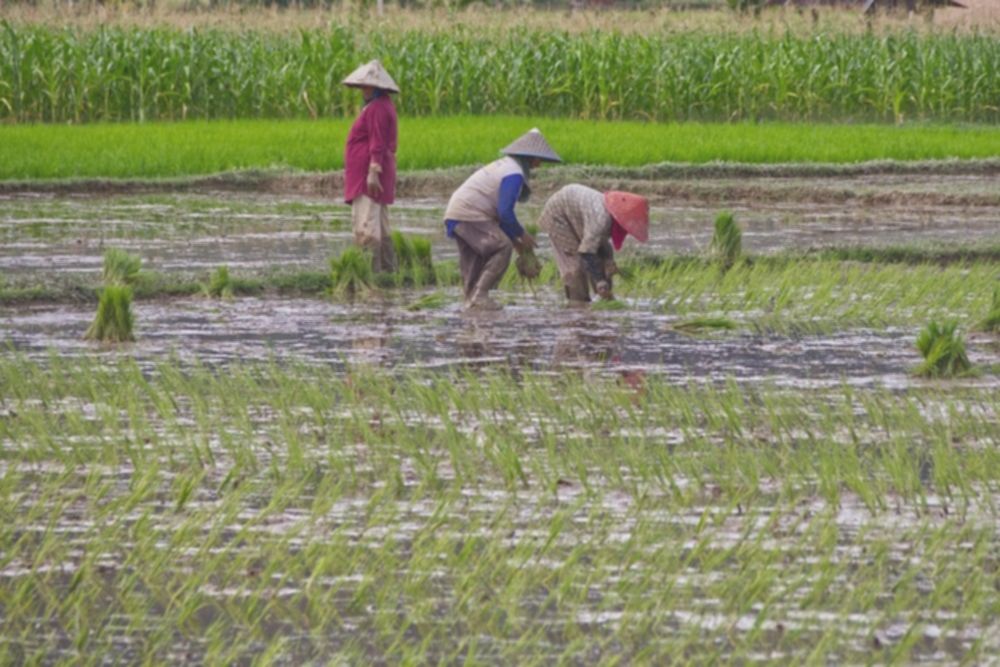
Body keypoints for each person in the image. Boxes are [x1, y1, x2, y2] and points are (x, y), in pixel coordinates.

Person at [443, 128, 562, 311]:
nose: (539, 165)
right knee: (502, 246)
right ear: (529, 157)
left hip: (457, 213)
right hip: (469, 215)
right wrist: (521, 235)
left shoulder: (505, 165)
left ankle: (471, 304)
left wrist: (517, 241)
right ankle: (480, 296)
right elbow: (505, 213)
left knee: (475, 261)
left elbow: (500, 215)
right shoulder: (514, 173)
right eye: (538, 159)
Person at [537, 184, 649, 303]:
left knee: (601, 262)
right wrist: (600, 280)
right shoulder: (601, 220)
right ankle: (578, 306)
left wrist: (609, 260)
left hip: (576, 212)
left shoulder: (609, 216)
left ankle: (605, 299)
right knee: (576, 267)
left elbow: (601, 243)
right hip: (559, 215)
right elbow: (587, 252)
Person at [342, 60, 399, 273]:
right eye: (362, 86)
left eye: (367, 86)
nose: (363, 90)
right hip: (368, 171)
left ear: (377, 88)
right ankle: (387, 271)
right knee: (380, 225)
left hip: (369, 174)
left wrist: (373, 172)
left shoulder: (377, 108)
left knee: (367, 226)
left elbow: (377, 142)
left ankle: (370, 275)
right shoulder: (381, 106)